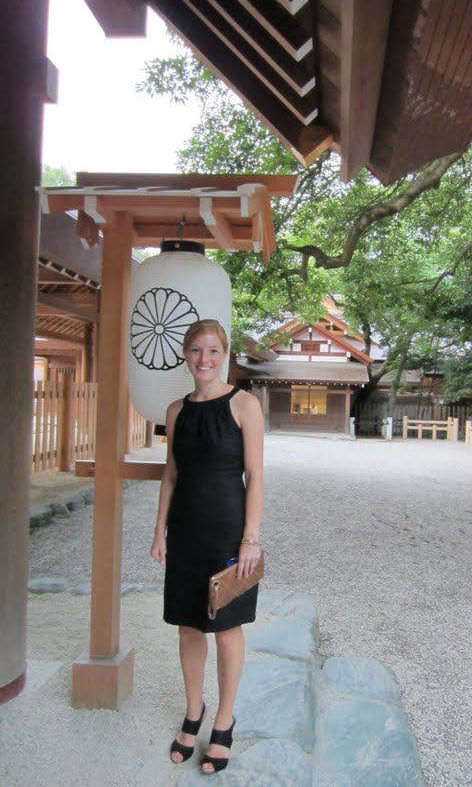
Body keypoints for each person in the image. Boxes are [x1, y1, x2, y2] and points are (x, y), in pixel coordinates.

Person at [150, 318, 264, 774]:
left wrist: (250, 538)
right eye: (197, 350)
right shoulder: (176, 410)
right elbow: (171, 474)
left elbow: (255, 476)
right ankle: (193, 710)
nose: (205, 359)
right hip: (185, 531)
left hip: (228, 533)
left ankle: (224, 719)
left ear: (224, 355)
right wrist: (159, 531)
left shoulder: (244, 405)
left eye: (214, 350)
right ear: (185, 354)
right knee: (188, 627)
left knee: (227, 628)